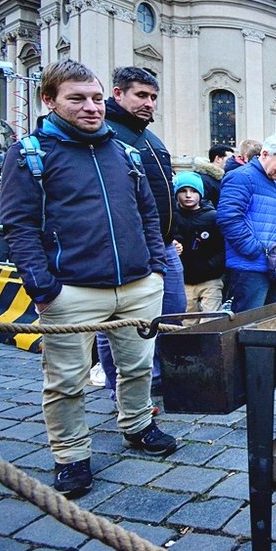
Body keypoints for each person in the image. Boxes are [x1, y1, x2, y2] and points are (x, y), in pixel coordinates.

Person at [0, 60, 177, 499]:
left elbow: (147, 214)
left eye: (96, 98)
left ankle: (137, 426)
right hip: (70, 290)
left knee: (136, 366)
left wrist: (155, 267)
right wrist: (43, 288)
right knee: (66, 380)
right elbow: (18, 226)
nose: (91, 107)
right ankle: (72, 455)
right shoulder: (30, 153)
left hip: (137, 285)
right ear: (50, 100)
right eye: (77, 99)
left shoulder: (125, 152)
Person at [98, 66, 186, 398]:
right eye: (141, 95)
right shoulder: (105, 133)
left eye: (153, 97)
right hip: (125, 248)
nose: (149, 103)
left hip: (163, 245)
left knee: (171, 315)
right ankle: (118, 385)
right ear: (118, 94)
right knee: (118, 325)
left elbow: (163, 193)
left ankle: (159, 379)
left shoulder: (151, 138)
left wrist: (172, 231)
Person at [216, 134, 276, 312]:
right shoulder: (242, 177)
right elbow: (228, 218)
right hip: (250, 266)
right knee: (248, 323)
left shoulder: (275, 185)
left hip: (273, 267)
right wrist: (253, 249)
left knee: (269, 322)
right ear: (265, 154)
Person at [174, 171, 225, 318]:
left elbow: (222, 247)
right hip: (184, 280)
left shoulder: (212, 217)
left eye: (193, 191)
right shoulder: (173, 217)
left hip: (210, 279)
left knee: (211, 320)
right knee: (187, 321)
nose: (188, 195)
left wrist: (212, 266)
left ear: (201, 193)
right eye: (183, 191)